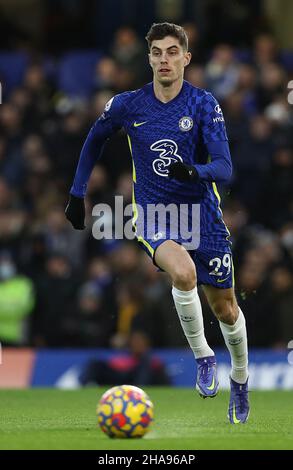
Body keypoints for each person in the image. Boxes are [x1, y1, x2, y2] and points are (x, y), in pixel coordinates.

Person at [65, 22, 249, 424]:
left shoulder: (203, 105)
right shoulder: (129, 104)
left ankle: (240, 378)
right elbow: (94, 139)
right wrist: (78, 193)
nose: (164, 60)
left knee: (227, 309)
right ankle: (204, 357)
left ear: (186, 57)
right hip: (154, 213)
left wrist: (194, 172)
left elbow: (225, 167)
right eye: (157, 53)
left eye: (172, 52)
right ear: (148, 58)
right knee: (182, 275)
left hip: (203, 215)